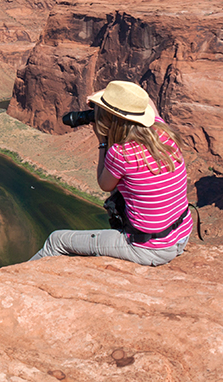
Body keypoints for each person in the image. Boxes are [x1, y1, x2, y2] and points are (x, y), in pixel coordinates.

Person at [29, 80, 192, 266]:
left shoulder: (122, 153)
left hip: (150, 248)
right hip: (181, 235)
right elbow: (145, 100)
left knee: (56, 241)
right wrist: (109, 98)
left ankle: (18, 281)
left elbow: (104, 184)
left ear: (112, 120)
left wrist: (103, 141)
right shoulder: (162, 131)